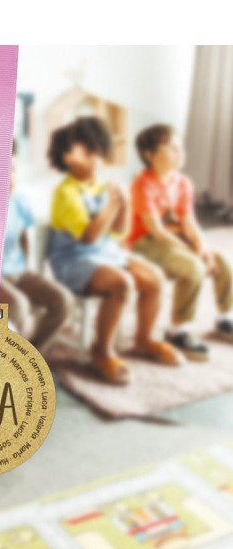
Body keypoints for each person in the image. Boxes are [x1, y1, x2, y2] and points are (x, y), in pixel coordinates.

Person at [47, 117, 184, 384]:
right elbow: (89, 237)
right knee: (122, 284)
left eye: (97, 151)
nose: (96, 158)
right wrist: (111, 205)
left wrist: (123, 204)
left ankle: (144, 339)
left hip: (107, 254)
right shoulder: (66, 193)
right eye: (87, 153)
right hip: (74, 261)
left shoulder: (101, 186)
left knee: (154, 277)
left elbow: (118, 232)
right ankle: (102, 351)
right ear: (66, 158)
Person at [129, 124, 233, 360]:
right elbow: (155, 229)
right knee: (193, 268)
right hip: (146, 244)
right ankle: (178, 330)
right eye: (173, 148)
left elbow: (189, 223)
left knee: (222, 261)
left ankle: (226, 317)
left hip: (175, 240)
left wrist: (203, 249)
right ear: (150, 155)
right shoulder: (142, 184)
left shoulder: (182, 183)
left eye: (180, 146)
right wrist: (190, 251)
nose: (180, 152)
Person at [0, 150, 72, 351]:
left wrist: (27, 271)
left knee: (63, 301)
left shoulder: (20, 201)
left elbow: (23, 237)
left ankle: (31, 356)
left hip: (19, 271)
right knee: (18, 306)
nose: (8, 176)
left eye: (11, 169)